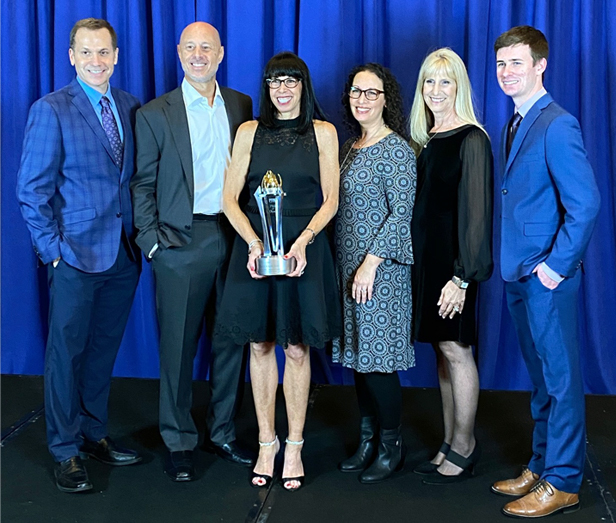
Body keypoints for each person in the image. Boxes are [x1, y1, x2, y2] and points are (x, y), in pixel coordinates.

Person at [16, 18, 142, 493]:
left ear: (115, 56)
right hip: (74, 256)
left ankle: (93, 433)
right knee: (65, 355)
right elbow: (31, 191)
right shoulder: (51, 109)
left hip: (123, 255)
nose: (95, 61)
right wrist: (53, 253)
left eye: (103, 52)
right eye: (86, 53)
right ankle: (65, 450)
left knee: (101, 351)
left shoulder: (129, 106)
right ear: (71, 56)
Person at [131, 22, 254, 482]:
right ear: (179, 53)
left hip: (236, 236)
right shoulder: (155, 113)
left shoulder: (241, 104)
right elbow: (142, 183)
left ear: (221, 53)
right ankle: (179, 440)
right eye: (190, 47)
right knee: (178, 348)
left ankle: (222, 432)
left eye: (207, 47)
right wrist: (152, 244)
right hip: (180, 242)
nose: (198, 55)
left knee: (230, 342)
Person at [215, 52, 341, 492]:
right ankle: (266, 441)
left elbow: (331, 201)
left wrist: (302, 242)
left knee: (298, 349)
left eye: (291, 81)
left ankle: (295, 444)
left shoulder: (324, 132)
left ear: (303, 87)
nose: (283, 89)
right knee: (259, 343)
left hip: (304, 250)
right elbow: (230, 199)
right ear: (266, 87)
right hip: (254, 251)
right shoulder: (249, 131)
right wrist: (253, 243)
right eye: (275, 82)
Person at [492, 26, 600, 518]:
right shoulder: (515, 122)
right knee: (540, 380)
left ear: (540, 65)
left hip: (545, 277)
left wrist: (554, 270)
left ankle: (564, 481)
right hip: (519, 272)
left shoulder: (558, 124)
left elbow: (586, 204)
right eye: (500, 64)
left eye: (516, 63)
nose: (506, 72)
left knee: (560, 380)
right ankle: (540, 465)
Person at [408, 48, 493, 485]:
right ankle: (448, 440)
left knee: (457, 351)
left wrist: (462, 278)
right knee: (442, 352)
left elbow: (477, 217)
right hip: (428, 264)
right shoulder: (430, 137)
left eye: (445, 82)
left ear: (459, 87)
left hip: (454, 267)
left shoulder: (471, 138)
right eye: (429, 82)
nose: (436, 91)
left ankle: (465, 445)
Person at [332, 63, 416, 484]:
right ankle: (366, 440)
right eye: (356, 92)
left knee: (379, 364)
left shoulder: (398, 150)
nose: (362, 99)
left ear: (387, 99)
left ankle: (390, 446)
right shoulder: (350, 146)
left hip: (380, 273)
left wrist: (370, 264)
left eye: (372, 92)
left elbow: (401, 216)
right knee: (360, 361)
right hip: (347, 268)